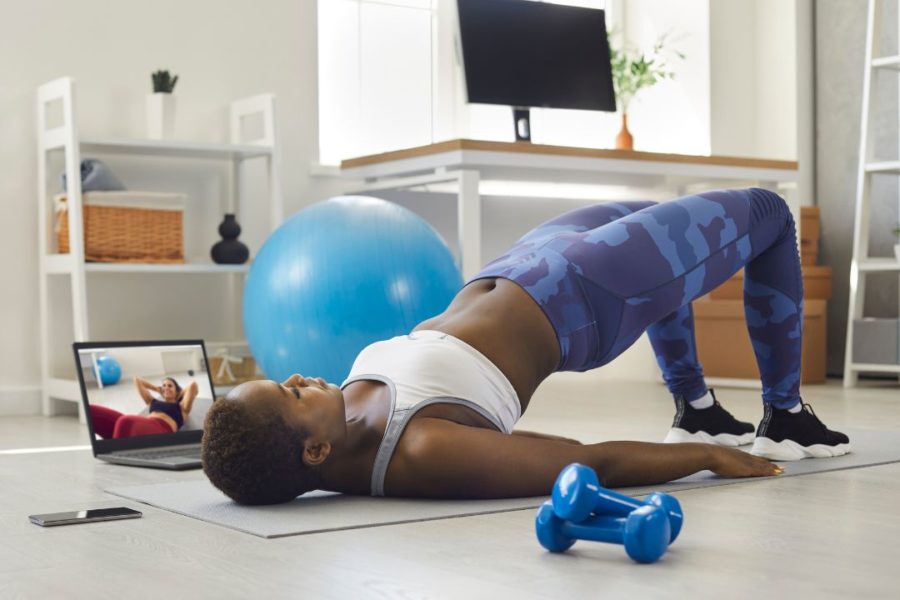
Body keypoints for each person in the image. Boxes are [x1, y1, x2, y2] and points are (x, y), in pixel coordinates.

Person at [202, 188, 850, 505]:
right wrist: (707, 460)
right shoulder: (422, 450)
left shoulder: (337, 423)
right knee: (767, 215)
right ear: (314, 451)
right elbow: (586, 460)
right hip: (591, 292)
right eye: (289, 394)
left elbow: (245, 441)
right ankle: (785, 414)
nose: (295, 377)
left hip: (527, 260)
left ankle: (696, 404)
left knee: (678, 222)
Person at [90, 376, 199, 439]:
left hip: (162, 430)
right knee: (91, 410)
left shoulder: (182, 407)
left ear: (177, 390)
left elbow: (193, 385)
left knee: (124, 421)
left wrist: (179, 394)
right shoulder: (153, 402)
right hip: (144, 426)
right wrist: (156, 389)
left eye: (170, 385)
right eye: (164, 385)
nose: (166, 388)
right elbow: (137, 380)